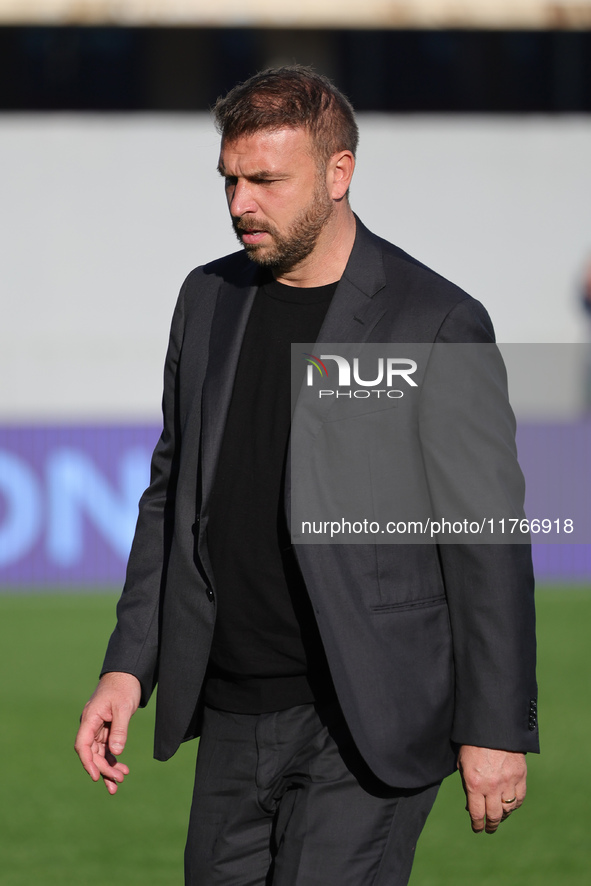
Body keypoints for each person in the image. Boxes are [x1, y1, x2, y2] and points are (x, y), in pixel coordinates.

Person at [75, 66, 539, 886]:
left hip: (365, 718)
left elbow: (485, 542)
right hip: (226, 709)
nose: (240, 203)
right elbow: (171, 493)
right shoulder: (206, 297)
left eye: (265, 181)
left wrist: (494, 727)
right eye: (230, 180)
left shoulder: (434, 320)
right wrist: (126, 665)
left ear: (338, 173)